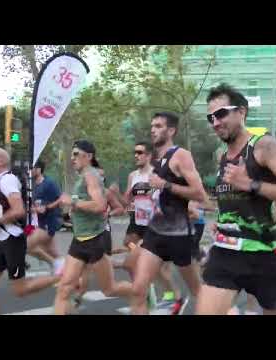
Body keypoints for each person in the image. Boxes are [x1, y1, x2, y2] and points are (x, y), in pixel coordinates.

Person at [196, 83, 276, 315]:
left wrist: (251, 184)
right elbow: (234, 200)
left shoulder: (264, 147)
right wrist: (220, 220)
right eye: (211, 117)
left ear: (241, 111)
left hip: (263, 255)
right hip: (225, 253)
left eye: (221, 114)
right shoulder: (221, 155)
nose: (215, 122)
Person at [130, 112, 210, 315]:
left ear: (171, 130)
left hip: (179, 235)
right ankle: (173, 298)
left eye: (158, 126)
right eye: (152, 126)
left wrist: (165, 184)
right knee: (139, 289)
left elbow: (199, 193)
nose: (152, 130)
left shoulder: (180, 155)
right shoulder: (157, 160)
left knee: (198, 292)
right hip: (156, 233)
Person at [54, 140, 133, 315]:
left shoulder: (91, 176)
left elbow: (99, 205)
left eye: (76, 154)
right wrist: (72, 209)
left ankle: (139, 292)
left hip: (95, 240)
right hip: (79, 240)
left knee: (109, 289)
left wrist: (72, 202)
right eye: (72, 154)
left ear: (88, 156)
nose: (72, 158)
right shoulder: (82, 178)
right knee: (64, 288)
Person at [0, 148, 59, 315]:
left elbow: (18, 210)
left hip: (13, 239)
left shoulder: (7, 180)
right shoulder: (1, 180)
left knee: (20, 290)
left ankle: (63, 277)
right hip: (2, 238)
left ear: (0, 162)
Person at [112, 142, 183, 313]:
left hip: (154, 226)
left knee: (148, 266)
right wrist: (116, 194)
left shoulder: (156, 174)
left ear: (149, 155)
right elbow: (128, 205)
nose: (136, 155)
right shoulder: (132, 176)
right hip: (137, 224)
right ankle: (151, 294)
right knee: (131, 257)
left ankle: (174, 296)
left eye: (140, 152)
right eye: (134, 152)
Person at [25, 159, 65, 275]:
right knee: (51, 251)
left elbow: (61, 198)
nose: (29, 171)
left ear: (39, 169)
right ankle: (68, 271)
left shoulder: (49, 183)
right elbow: (36, 204)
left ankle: (54, 264)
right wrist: (32, 208)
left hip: (50, 221)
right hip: (39, 222)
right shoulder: (33, 185)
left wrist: (46, 208)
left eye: (31, 168)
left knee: (27, 246)